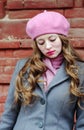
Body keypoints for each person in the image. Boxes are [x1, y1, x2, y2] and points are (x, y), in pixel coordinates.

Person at [0, 10, 84, 130]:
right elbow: (10, 112)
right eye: (41, 42)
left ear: (62, 39)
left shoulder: (80, 72)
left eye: (52, 39)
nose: (48, 46)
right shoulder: (23, 67)